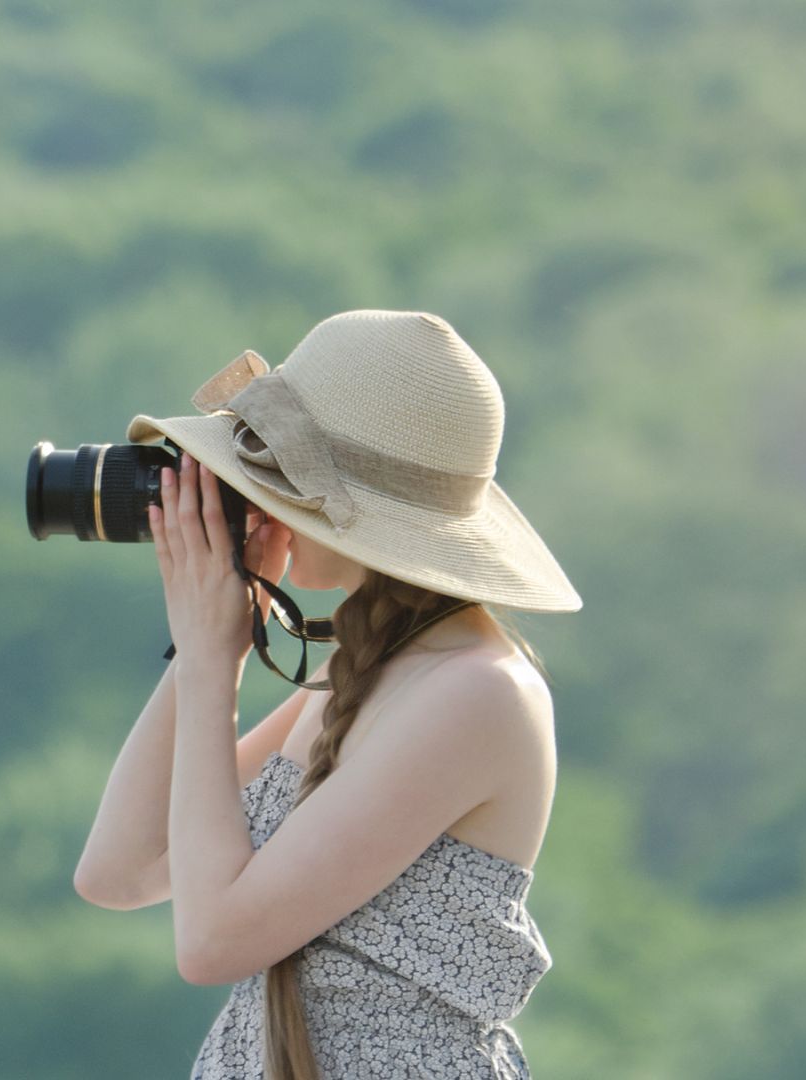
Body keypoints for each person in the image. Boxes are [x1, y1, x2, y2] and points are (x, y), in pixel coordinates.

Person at [72, 310, 581, 1079]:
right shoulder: (369, 670)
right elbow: (119, 869)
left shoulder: (477, 693)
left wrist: (213, 661)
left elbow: (213, 942)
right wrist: (206, 647)